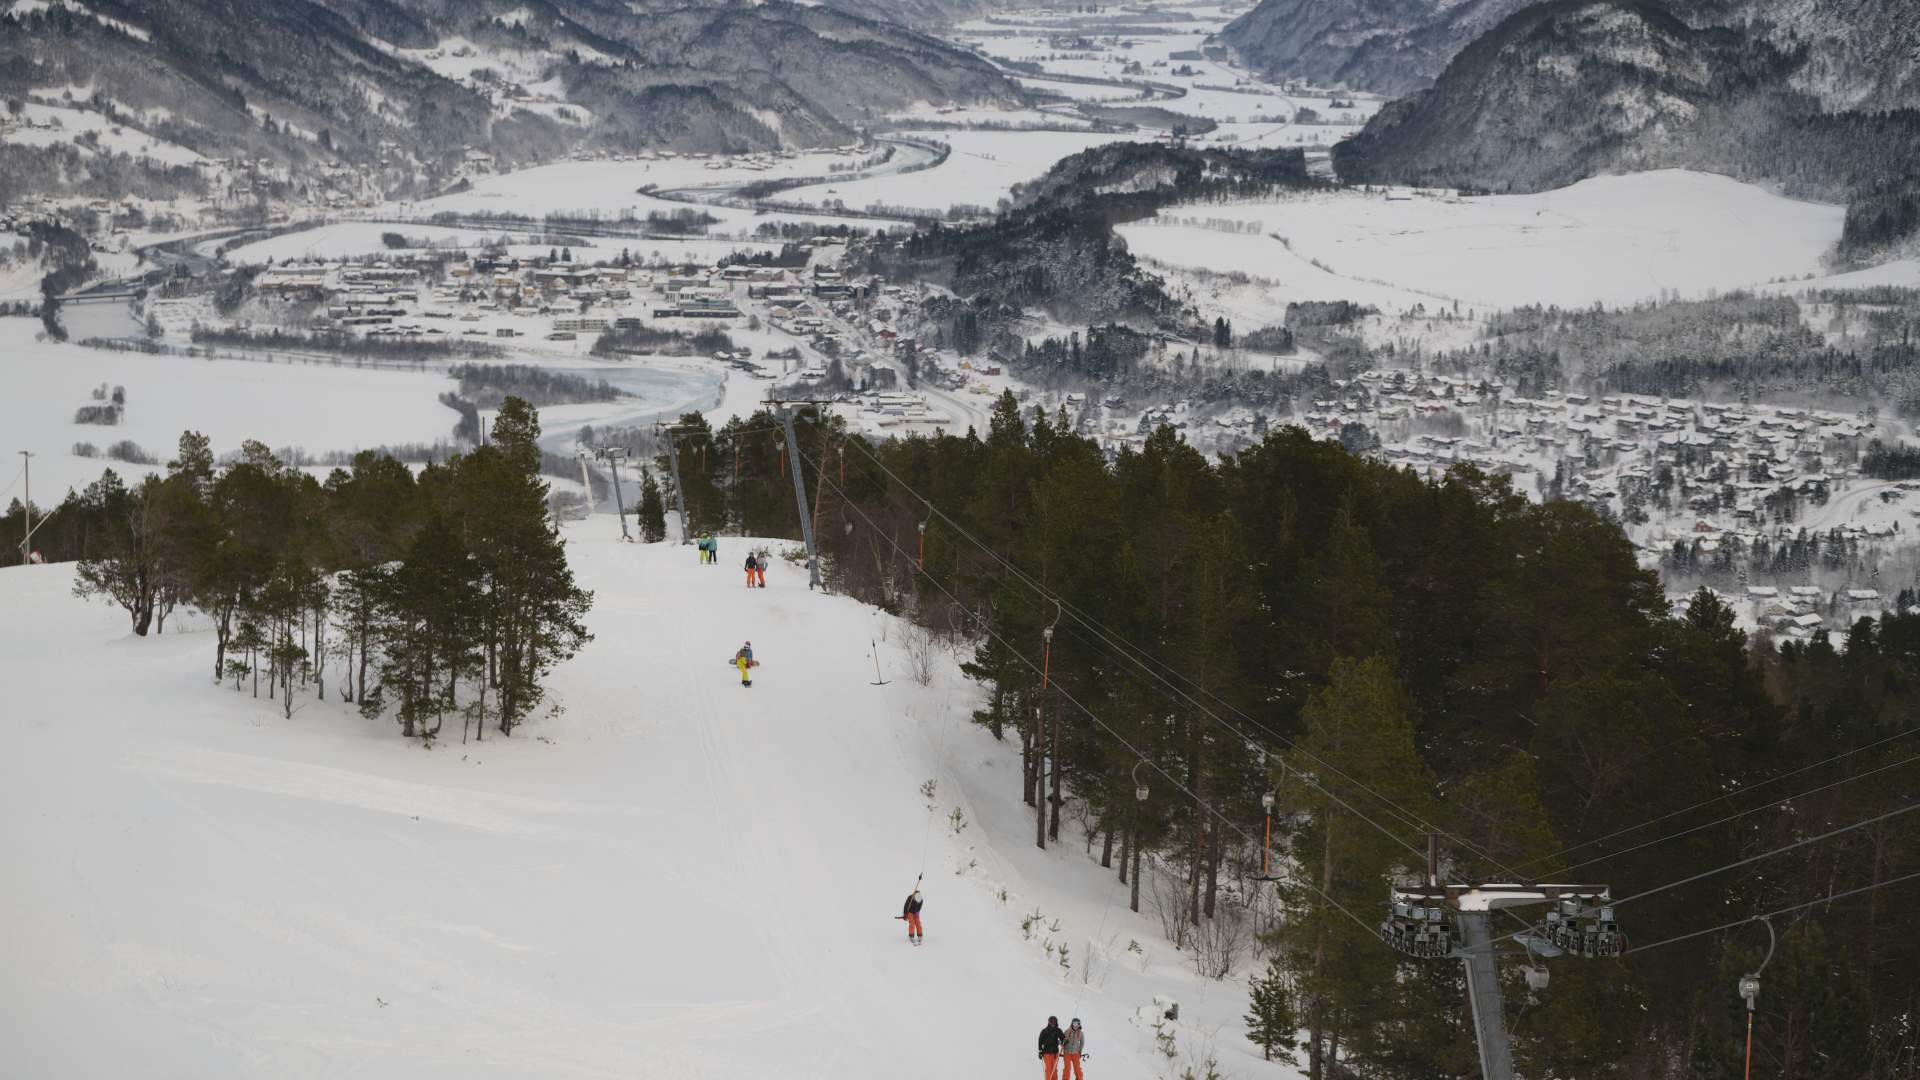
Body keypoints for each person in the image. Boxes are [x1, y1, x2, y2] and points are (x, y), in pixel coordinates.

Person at [1038, 1016, 1066, 1080]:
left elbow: (1062, 1038)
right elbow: (1040, 1041)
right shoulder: (1044, 1031)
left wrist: (1064, 1040)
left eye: (1054, 1022)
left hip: (1055, 1053)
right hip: (1046, 1052)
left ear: (1056, 1022)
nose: (1053, 1024)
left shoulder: (1058, 1030)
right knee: (1049, 1069)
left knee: (1054, 1069)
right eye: (1051, 1022)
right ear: (1049, 1022)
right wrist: (1040, 1051)